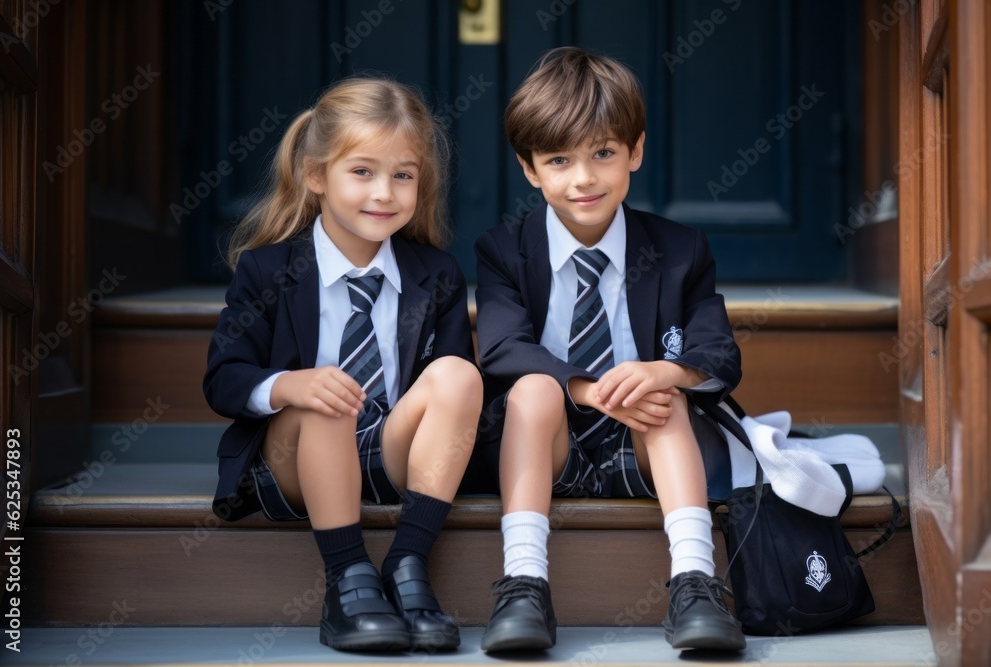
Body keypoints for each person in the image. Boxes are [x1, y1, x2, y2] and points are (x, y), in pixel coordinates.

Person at [474, 47, 746, 652]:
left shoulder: (680, 249)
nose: (583, 179)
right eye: (559, 160)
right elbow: (499, 348)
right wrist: (590, 389)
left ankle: (695, 580)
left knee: (663, 393)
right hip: (547, 443)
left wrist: (660, 370)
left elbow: (720, 353)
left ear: (636, 151)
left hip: (644, 447)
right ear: (529, 169)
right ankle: (523, 582)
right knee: (534, 386)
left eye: (603, 153)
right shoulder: (503, 250)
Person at [203, 77, 482, 653]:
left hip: (394, 454)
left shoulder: (437, 275)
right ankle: (348, 578)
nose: (384, 192)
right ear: (315, 176)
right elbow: (223, 379)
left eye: (403, 175)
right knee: (330, 393)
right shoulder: (266, 271)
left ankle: (407, 563)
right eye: (362, 171)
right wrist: (289, 384)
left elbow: (450, 400)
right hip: (297, 462)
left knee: (460, 373)